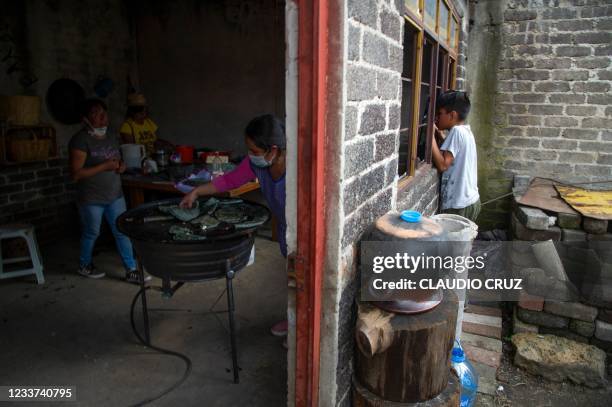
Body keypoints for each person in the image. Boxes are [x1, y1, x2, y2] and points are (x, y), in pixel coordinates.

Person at [180, 114, 288, 339]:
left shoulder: (296, 169)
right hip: (286, 229)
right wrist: (196, 191)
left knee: (306, 280)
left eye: (254, 151)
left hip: (303, 229)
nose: (250, 156)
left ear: (274, 150)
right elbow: (229, 181)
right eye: (248, 150)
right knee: (292, 277)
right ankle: (293, 319)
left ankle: (301, 330)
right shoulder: (257, 165)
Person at [69, 98, 149, 284]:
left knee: (121, 230)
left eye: (103, 113)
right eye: (95, 114)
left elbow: (117, 161)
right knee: (92, 232)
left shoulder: (112, 136)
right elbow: (75, 174)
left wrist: (121, 167)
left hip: (114, 194)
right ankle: (85, 264)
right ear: (85, 119)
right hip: (91, 197)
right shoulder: (80, 140)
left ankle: (131, 269)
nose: (102, 117)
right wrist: (104, 166)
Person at [431, 91, 480, 222]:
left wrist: (430, 137)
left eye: (440, 113)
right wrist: (441, 137)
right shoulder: (466, 131)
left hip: (459, 206)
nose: (436, 118)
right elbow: (455, 153)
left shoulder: (456, 131)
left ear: (452, 115)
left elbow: (443, 165)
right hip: (470, 201)